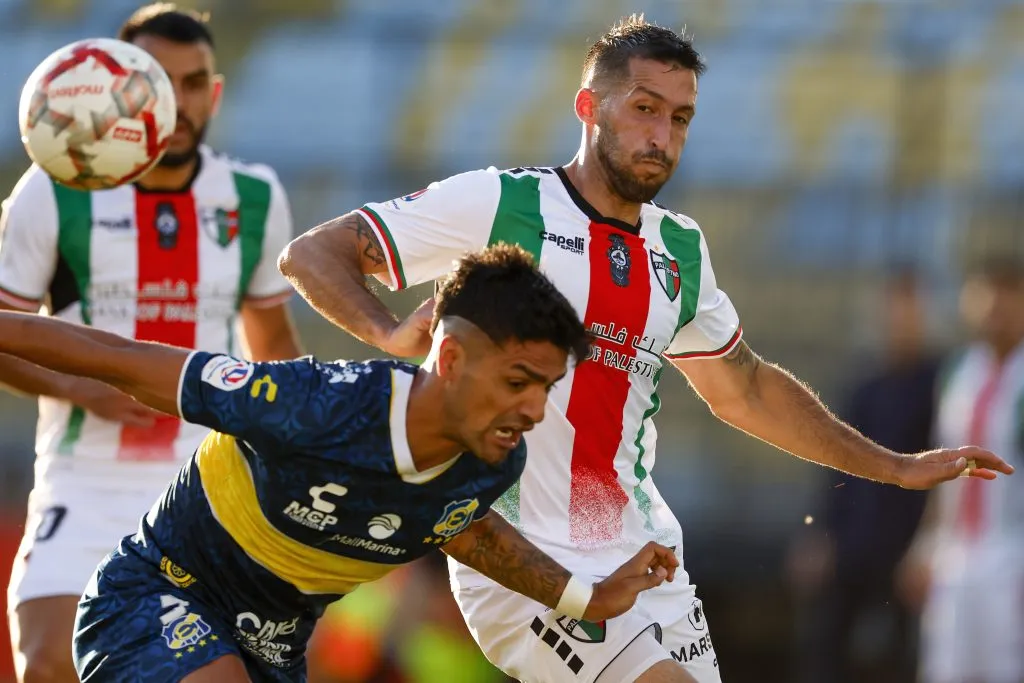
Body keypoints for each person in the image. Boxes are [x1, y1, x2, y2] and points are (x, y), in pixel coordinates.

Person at [277, 15, 1013, 683]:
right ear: (589, 107)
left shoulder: (679, 249)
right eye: (645, 109)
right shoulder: (502, 205)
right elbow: (313, 254)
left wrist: (894, 465)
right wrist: (386, 331)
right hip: (524, 561)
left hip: (647, 558)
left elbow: (746, 389)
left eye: (681, 119)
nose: (662, 136)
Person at [0, 244, 681, 683]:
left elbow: (464, 527)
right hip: (155, 597)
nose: (534, 408)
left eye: (546, 387)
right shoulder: (318, 404)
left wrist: (586, 596)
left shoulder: (493, 462)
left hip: (273, 653)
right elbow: (124, 362)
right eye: (517, 380)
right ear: (450, 360)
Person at [0, 5, 302, 682]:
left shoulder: (253, 197)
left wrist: (291, 447)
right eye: (158, 81)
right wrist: (81, 388)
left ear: (214, 92)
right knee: (48, 659)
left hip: (206, 483)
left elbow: (272, 345)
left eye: (194, 82)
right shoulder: (50, 193)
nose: (179, 101)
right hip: (84, 473)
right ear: (114, 89)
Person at [787, 269, 940, 683]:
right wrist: (818, 532)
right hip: (853, 542)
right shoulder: (865, 387)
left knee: (903, 657)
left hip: (907, 546)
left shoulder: (939, 386)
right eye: (892, 311)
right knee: (824, 649)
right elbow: (834, 464)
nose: (899, 320)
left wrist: (929, 545)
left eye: (909, 310)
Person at [898, 251, 1024, 683]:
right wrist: (926, 545)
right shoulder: (959, 372)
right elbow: (944, 465)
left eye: (1009, 293)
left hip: (1012, 553)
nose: (996, 307)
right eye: (987, 293)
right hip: (956, 557)